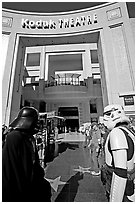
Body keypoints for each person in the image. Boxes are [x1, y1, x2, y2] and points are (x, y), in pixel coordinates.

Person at [2, 106, 51, 202]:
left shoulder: (29, 138)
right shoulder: (14, 137)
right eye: (35, 121)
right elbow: (10, 168)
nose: (37, 124)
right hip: (17, 187)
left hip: (31, 181)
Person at [101, 104, 135, 202]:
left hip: (120, 186)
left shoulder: (117, 133)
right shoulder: (130, 131)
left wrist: (115, 200)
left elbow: (120, 172)